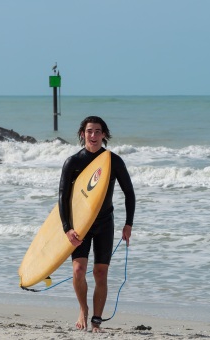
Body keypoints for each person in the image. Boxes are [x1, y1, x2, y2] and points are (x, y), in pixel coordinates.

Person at [58, 116, 136, 333]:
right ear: (82, 133)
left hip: (104, 223)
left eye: (98, 131)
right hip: (80, 224)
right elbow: (63, 198)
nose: (93, 136)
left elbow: (129, 193)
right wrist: (68, 228)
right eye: (89, 131)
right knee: (78, 270)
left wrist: (128, 224)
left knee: (100, 273)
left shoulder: (113, 161)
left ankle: (96, 321)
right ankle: (83, 309)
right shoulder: (72, 162)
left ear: (104, 135)